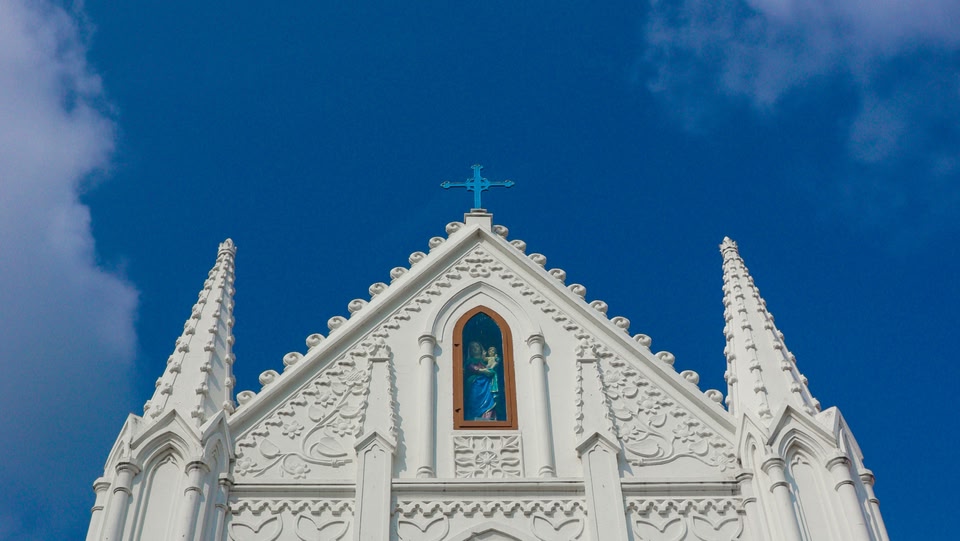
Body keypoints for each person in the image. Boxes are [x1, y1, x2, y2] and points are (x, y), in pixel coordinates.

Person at [463, 341, 500, 420]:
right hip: (475, 384)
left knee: (489, 402)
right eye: (472, 347)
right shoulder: (470, 361)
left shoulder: (485, 361)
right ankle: (473, 418)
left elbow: (492, 364)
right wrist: (481, 370)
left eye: (476, 346)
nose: (475, 348)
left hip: (487, 385)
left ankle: (488, 417)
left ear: (481, 348)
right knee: (474, 401)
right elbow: (471, 367)